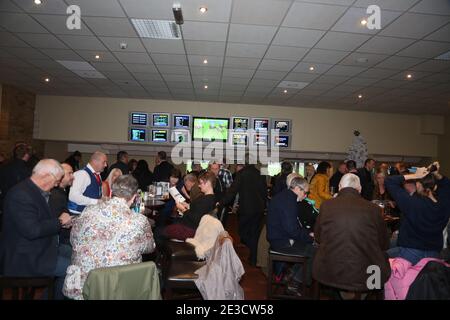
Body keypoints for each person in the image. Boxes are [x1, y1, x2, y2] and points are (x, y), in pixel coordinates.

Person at [63, 175, 155, 300]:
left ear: (112, 192)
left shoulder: (88, 211)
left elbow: (73, 240)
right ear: (134, 197)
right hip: (118, 289)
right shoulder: (140, 221)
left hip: (83, 287)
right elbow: (149, 248)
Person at [313, 173, 391, 296]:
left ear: (339, 187)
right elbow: (384, 244)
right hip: (366, 271)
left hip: (330, 269)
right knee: (379, 263)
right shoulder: (374, 209)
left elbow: (318, 237)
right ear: (359, 189)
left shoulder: (326, 206)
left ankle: (346, 293)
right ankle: (358, 293)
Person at [0, 159, 72, 280]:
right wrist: (59, 222)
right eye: (57, 181)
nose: (56, 185)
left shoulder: (34, 190)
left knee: (75, 256)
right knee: (73, 269)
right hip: (25, 257)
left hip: (40, 247)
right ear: (46, 176)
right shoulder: (20, 194)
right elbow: (32, 230)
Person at [385, 162, 450, 265]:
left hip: (410, 254)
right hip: (434, 256)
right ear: (434, 186)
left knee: (381, 258)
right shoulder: (444, 205)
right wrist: (437, 174)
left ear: (419, 184)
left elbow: (389, 181)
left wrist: (415, 175)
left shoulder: (413, 203)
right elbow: (447, 185)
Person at [267, 177, 315, 289]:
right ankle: (295, 282)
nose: (306, 196)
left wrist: (307, 235)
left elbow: (293, 227)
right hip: (281, 242)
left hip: (279, 238)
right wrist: (310, 237)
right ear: (297, 188)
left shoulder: (286, 196)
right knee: (315, 251)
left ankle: (292, 276)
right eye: (305, 192)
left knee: (311, 247)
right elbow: (292, 230)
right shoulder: (289, 201)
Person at [219, 158, 268, 266]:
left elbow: (232, 191)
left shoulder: (241, 174)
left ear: (245, 163)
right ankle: (254, 258)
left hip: (246, 209)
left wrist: (221, 202)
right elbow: (264, 192)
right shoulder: (260, 174)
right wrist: (265, 206)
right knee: (254, 234)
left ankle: (255, 252)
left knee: (243, 233)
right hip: (259, 209)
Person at [163, 172, 217, 241]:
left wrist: (183, 209)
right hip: (190, 227)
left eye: (201, 183)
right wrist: (188, 205)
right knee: (169, 224)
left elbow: (195, 219)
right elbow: (198, 211)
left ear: (208, 183)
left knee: (159, 232)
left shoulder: (206, 200)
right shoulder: (209, 198)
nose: (199, 186)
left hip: (191, 231)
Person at [48, 162, 75, 299]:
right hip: (54, 243)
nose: (72, 176)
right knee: (74, 267)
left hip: (55, 242)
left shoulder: (60, 193)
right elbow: (54, 223)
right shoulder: (55, 195)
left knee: (77, 257)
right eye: (70, 173)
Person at [0, 144, 32, 208]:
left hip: (3, 200)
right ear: (26, 155)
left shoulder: (4, 166)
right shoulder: (26, 170)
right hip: (17, 203)